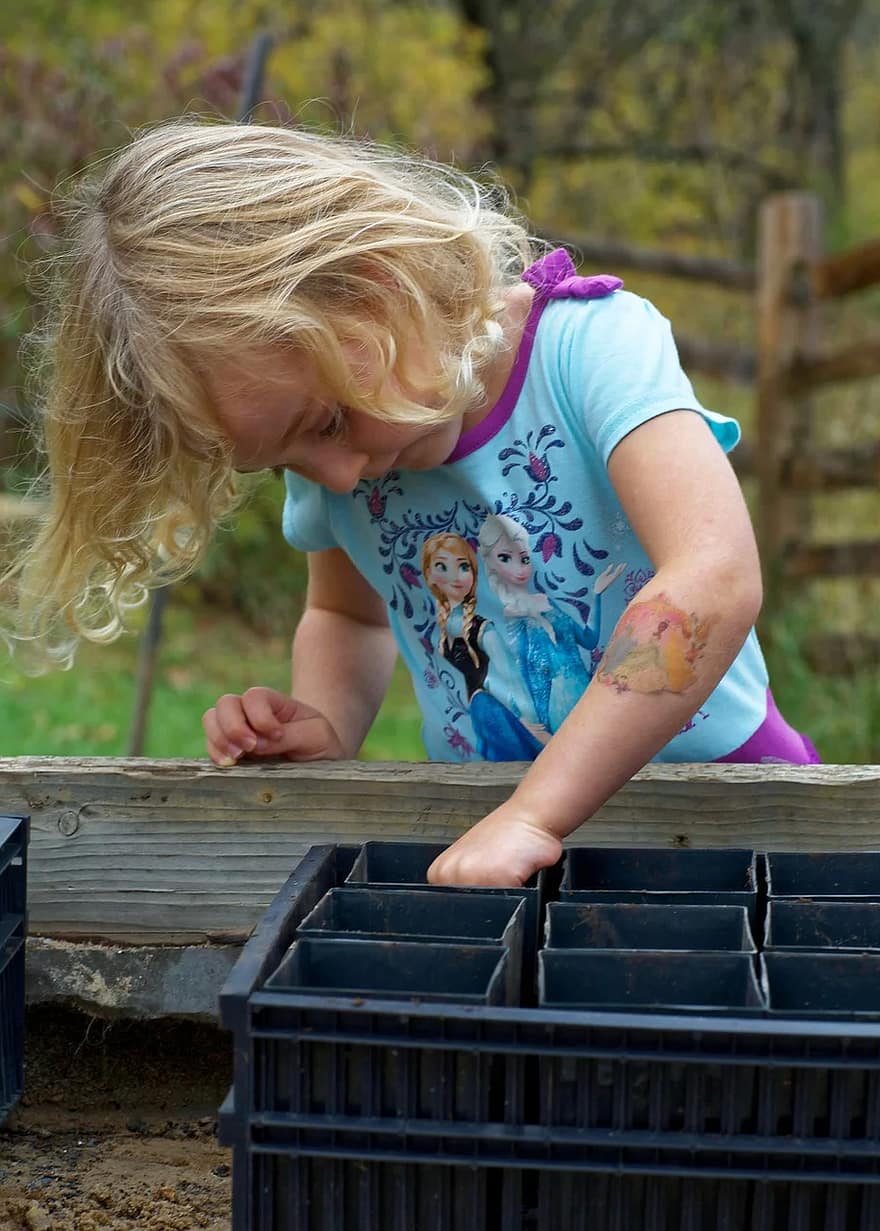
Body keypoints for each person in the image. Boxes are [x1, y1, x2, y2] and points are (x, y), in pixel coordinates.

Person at [5, 118, 819, 889]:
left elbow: (712, 579)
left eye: (324, 422)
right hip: (494, 834)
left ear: (377, 285)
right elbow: (348, 618)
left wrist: (539, 807)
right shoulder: (344, 459)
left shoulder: (590, 349)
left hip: (734, 814)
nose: (334, 477)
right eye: (287, 458)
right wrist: (324, 722)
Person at [477, 513, 624, 734]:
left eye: (524, 559)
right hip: (556, 698)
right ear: (490, 562)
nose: (519, 568)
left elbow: (588, 639)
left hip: (585, 687)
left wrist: (596, 595)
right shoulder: (513, 614)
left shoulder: (548, 602)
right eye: (505, 558)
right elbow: (523, 667)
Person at [420, 530, 545, 761]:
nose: (455, 576)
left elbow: (512, 679)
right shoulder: (446, 626)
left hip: (494, 712)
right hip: (477, 715)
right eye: (442, 567)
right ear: (428, 575)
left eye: (463, 567)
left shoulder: (483, 630)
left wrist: (527, 721)